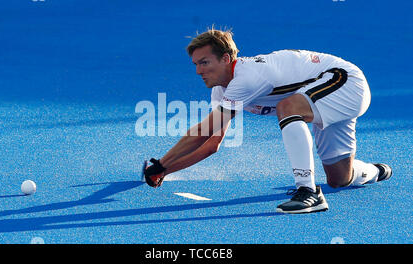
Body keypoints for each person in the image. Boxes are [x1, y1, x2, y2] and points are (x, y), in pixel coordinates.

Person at [143, 28, 392, 214]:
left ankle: (307, 191)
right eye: (196, 64)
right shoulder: (221, 90)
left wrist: (161, 162)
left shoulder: (247, 77)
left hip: (345, 82)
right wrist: (164, 170)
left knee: (288, 106)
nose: (198, 71)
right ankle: (375, 171)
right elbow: (211, 144)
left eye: (205, 62)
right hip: (323, 97)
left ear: (226, 59)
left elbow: (204, 130)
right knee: (339, 179)